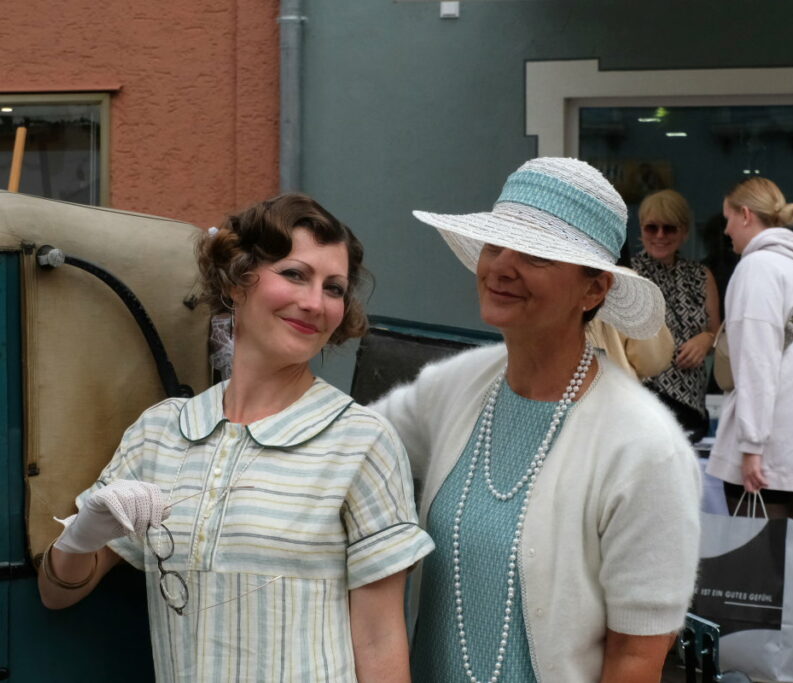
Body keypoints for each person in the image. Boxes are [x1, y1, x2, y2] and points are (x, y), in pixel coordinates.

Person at [38, 194, 434, 682]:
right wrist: (82, 534)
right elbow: (57, 594)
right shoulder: (159, 433)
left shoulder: (361, 440)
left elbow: (379, 637)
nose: (315, 303)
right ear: (236, 280)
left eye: (334, 288)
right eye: (295, 274)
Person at [371, 157, 701, 683]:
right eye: (495, 245)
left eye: (535, 255)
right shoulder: (455, 388)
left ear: (594, 291)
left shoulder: (643, 446)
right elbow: (351, 447)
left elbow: (636, 657)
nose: (502, 266)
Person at [707, 177, 793, 520]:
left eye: (728, 218)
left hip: (768, 449)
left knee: (757, 553)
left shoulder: (757, 268)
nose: (726, 230)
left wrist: (751, 445)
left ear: (745, 215)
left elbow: (756, 362)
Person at [631, 189, 720, 440]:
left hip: (691, 408)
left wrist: (706, 340)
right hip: (640, 404)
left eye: (669, 228)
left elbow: (717, 334)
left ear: (684, 232)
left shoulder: (701, 276)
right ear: (641, 230)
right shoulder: (627, 275)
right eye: (652, 228)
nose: (660, 235)